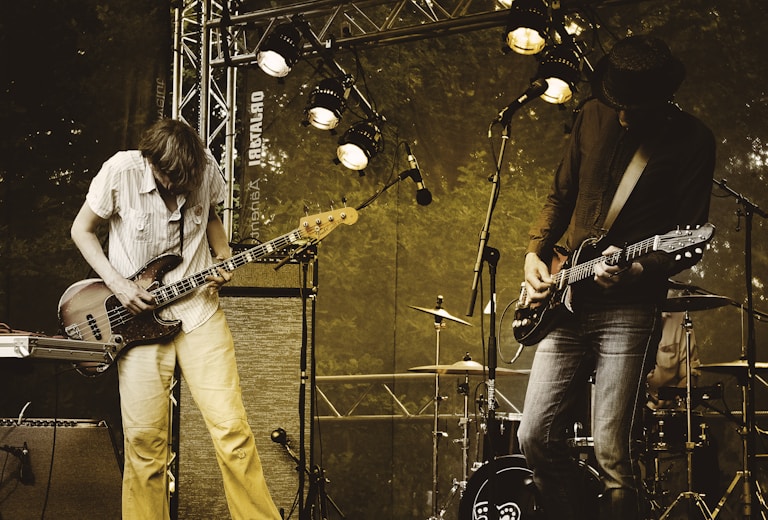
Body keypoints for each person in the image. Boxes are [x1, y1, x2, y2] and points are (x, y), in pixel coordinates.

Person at [516, 35, 716, 519]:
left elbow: (690, 238)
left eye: (634, 106)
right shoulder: (591, 115)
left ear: (659, 95)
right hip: (563, 294)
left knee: (612, 452)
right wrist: (533, 255)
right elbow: (560, 195)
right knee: (534, 437)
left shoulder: (691, 139)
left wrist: (639, 268)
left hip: (628, 306)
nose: (624, 114)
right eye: (618, 103)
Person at [70, 118, 281, 519]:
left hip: (199, 310)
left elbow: (213, 217)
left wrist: (223, 254)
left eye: (186, 182)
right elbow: (82, 230)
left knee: (232, 432)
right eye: (169, 179)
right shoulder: (121, 171)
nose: (177, 189)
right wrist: (118, 285)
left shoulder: (203, 167)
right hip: (134, 326)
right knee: (146, 445)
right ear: (150, 161)